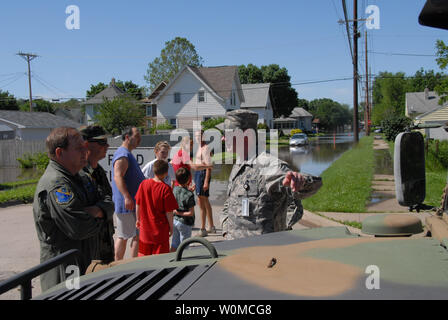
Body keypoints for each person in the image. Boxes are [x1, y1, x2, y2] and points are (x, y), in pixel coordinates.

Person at [220, 109, 323, 240]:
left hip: (263, 252)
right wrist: (226, 230)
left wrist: (301, 181)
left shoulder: (268, 165)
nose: (223, 138)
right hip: (236, 250)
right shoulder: (238, 165)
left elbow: (303, 191)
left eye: (229, 134)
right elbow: (229, 203)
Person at [33, 127, 104, 291]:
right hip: (66, 269)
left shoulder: (82, 177)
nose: (85, 151)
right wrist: (101, 216)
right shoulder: (56, 184)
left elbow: (107, 200)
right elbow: (78, 227)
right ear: (60, 153)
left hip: (84, 260)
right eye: (79, 148)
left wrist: (96, 211)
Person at [79, 125, 115, 264]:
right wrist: (103, 208)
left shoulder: (99, 171)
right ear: (87, 144)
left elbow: (109, 202)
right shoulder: (79, 174)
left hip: (105, 242)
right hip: (89, 248)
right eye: (101, 142)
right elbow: (83, 212)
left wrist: (101, 209)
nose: (107, 145)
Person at [111, 127, 145, 260]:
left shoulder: (126, 153)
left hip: (132, 203)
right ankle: (117, 265)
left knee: (137, 235)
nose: (139, 139)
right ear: (127, 137)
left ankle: (133, 263)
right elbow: (118, 176)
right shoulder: (123, 154)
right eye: (137, 136)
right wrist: (126, 197)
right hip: (127, 204)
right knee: (124, 236)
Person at [135, 160, 178, 256]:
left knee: (143, 260)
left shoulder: (143, 184)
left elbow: (138, 204)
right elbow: (169, 212)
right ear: (166, 173)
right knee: (160, 262)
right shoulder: (165, 188)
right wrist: (171, 227)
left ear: (153, 171)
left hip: (145, 231)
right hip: (160, 232)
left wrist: (138, 219)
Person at [193, 130, 215, 237]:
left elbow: (209, 167)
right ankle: (211, 226)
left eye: (199, 136)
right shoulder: (199, 147)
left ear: (203, 136)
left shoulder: (205, 148)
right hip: (198, 174)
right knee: (205, 200)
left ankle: (202, 229)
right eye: (196, 136)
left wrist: (206, 181)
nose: (197, 137)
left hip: (202, 174)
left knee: (201, 201)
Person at [170, 167, 196, 252]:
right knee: (184, 246)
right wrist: (179, 213)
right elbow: (191, 213)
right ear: (188, 180)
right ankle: (183, 263)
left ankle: (170, 260)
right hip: (185, 223)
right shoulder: (189, 195)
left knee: (174, 243)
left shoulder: (174, 189)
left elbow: (182, 192)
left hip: (175, 221)